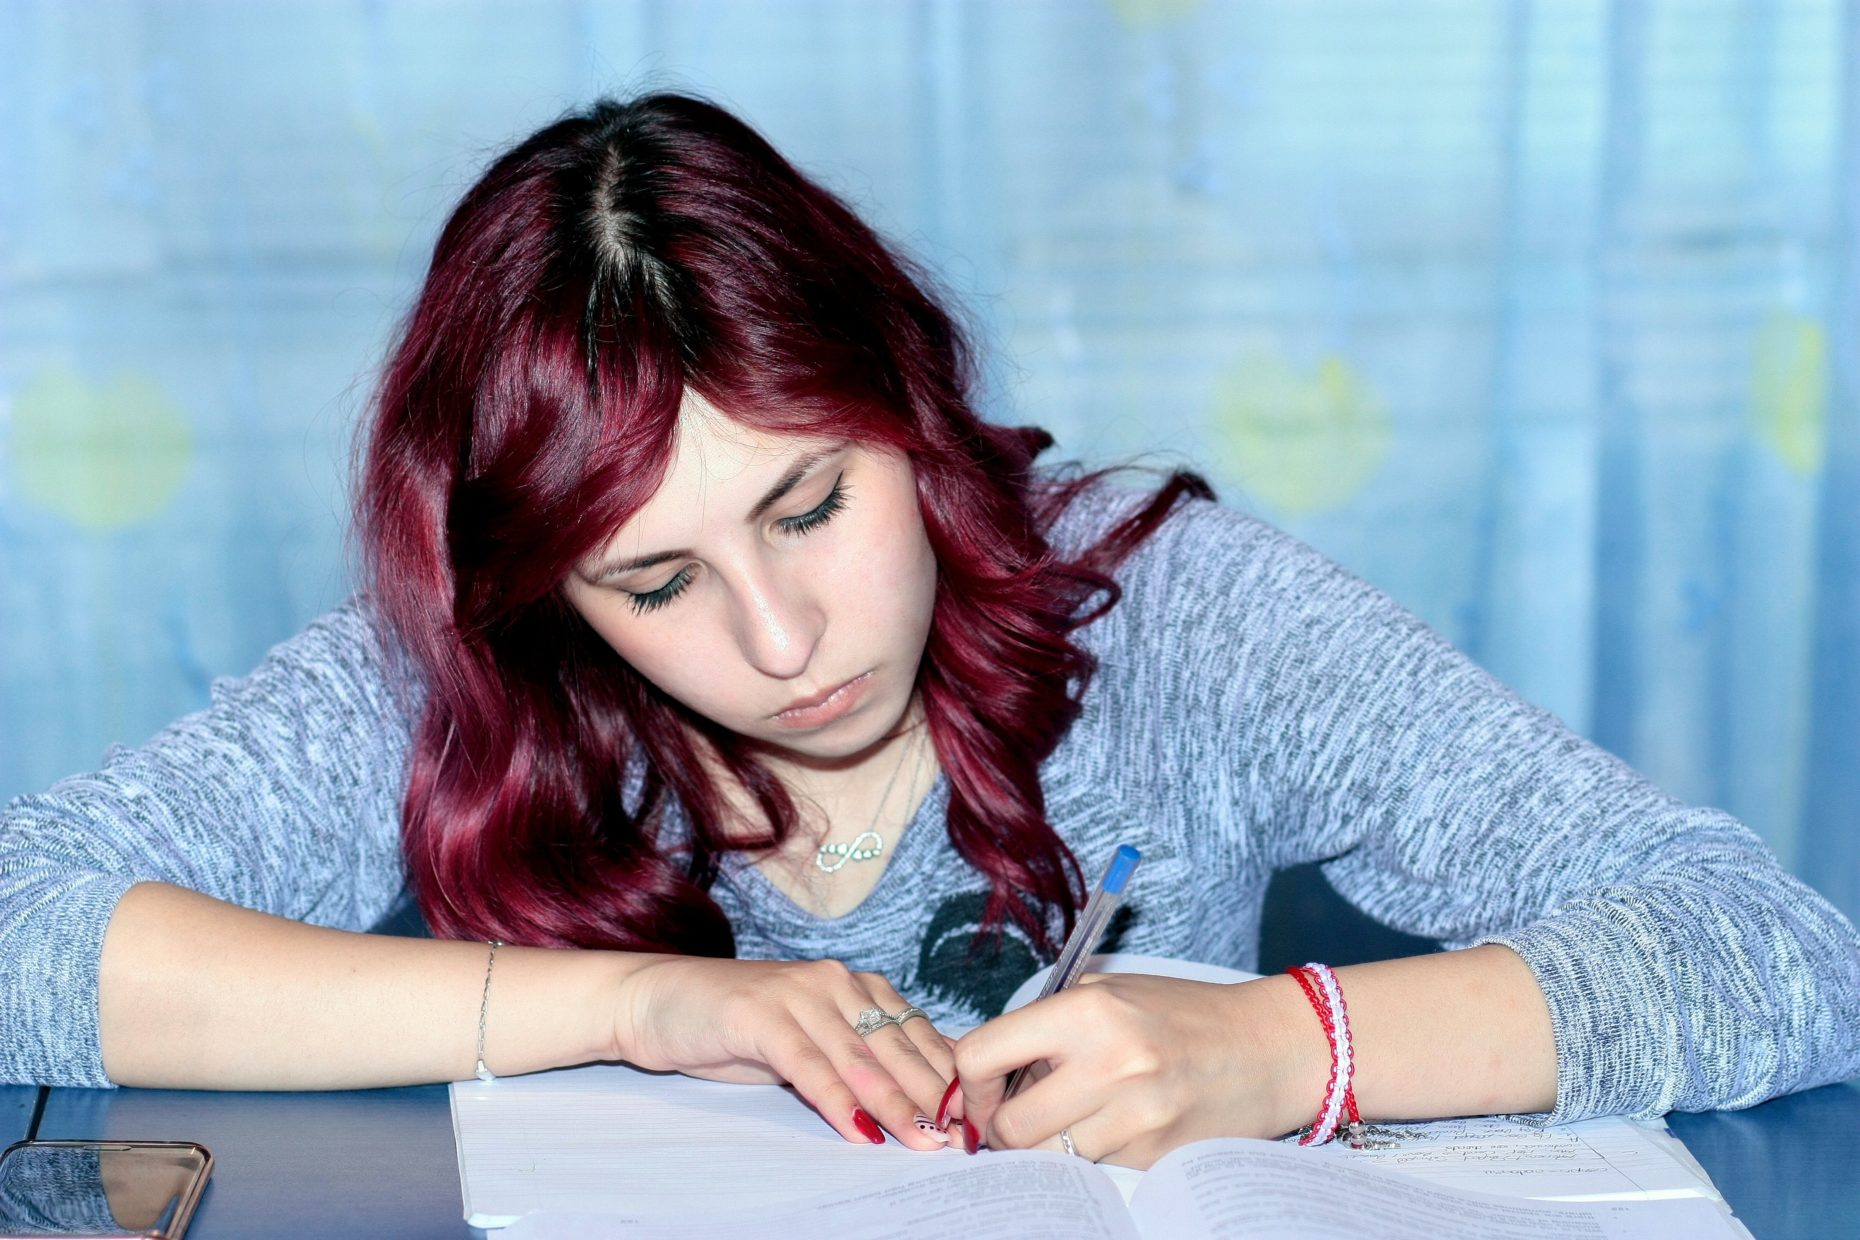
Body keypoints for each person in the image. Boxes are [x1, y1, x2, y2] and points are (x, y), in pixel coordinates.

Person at [2, 92, 1855, 1171]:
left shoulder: (1172, 613)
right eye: (656, 584)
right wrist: (639, 1004)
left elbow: (1774, 954)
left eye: (811, 504)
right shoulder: (465, 675)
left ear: (909, 404)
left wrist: (1289, 1051)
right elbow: (26, 934)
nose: (786, 633)